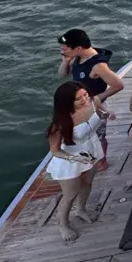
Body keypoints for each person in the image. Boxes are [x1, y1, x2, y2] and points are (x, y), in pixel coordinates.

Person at [46, 82, 109, 241]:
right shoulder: (60, 123)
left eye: (85, 95)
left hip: (92, 149)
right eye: (78, 99)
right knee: (70, 194)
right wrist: (74, 158)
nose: (84, 100)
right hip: (69, 158)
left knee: (87, 182)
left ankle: (81, 209)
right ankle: (63, 224)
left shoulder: (94, 101)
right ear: (67, 102)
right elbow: (54, 150)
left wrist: (103, 114)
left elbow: (98, 111)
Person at [58, 29, 124, 169]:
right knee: (81, 135)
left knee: (99, 136)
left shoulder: (98, 66)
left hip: (96, 107)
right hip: (80, 103)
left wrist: (96, 99)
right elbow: (62, 75)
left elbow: (118, 85)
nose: (62, 49)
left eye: (66, 47)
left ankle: (102, 161)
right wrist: (66, 61)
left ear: (78, 48)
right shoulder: (78, 57)